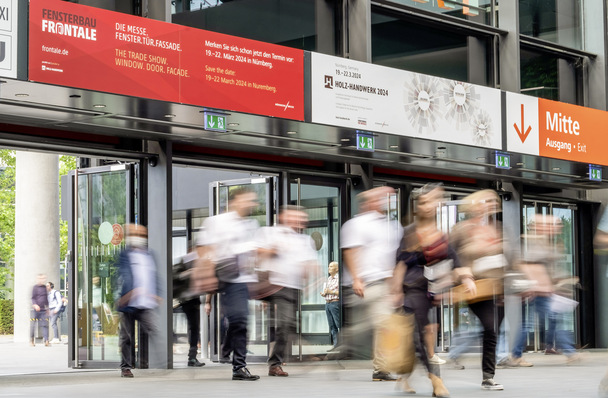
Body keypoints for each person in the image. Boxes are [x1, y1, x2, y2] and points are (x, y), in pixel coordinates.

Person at [392, 183, 452, 397]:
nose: (428, 206)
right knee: (419, 334)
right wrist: (396, 290)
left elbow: (446, 264)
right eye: (424, 202)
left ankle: (403, 375)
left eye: (433, 202)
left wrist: (443, 286)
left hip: (430, 291)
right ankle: (436, 380)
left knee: (416, 335)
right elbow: (400, 263)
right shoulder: (409, 232)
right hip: (411, 289)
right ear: (417, 206)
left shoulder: (440, 235)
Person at [339, 186, 403, 381]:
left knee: (383, 326)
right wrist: (357, 278)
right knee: (377, 326)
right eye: (382, 197)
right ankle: (345, 344)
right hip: (366, 283)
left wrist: (396, 287)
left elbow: (394, 258)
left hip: (384, 283)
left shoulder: (393, 226)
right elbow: (350, 252)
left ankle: (379, 368)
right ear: (369, 202)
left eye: (389, 198)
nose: (386, 201)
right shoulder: (356, 224)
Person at [197, 186, 260, 381]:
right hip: (224, 275)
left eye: (253, 200)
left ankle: (234, 360)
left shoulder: (251, 224)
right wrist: (207, 275)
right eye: (247, 200)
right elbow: (204, 249)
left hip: (243, 279)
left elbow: (254, 254)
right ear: (234, 201)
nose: (251, 204)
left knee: (239, 319)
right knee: (238, 319)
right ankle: (234, 359)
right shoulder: (216, 222)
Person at [450, 189, 506, 391]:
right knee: (490, 328)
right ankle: (488, 376)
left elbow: (510, 256)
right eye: (484, 201)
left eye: (492, 202)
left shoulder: (497, 228)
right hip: (475, 288)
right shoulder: (461, 229)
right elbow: (451, 256)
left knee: (493, 333)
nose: (489, 205)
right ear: (473, 205)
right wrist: (463, 275)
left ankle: (488, 377)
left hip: (498, 288)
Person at [507, 214, 579, 367]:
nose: (558, 228)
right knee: (534, 323)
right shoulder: (534, 243)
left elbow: (548, 268)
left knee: (552, 320)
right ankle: (516, 355)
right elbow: (529, 267)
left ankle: (567, 351)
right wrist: (540, 287)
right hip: (539, 291)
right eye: (555, 225)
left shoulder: (544, 242)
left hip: (544, 291)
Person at [255, 205, 318, 377]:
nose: (301, 221)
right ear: (283, 217)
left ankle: (274, 363)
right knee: (285, 322)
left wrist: (313, 277)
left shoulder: (306, 240)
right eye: (296, 217)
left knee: (286, 324)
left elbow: (309, 263)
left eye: (302, 218)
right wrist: (273, 249)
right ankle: (274, 362)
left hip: (292, 288)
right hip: (273, 284)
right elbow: (258, 253)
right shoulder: (268, 232)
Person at [117, 224, 161, 378]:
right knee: (127, 337)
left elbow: (154, 276)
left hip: (145, 302)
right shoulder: (125, 254)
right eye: (136, 234)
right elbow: (123, 273)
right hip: (128, 302)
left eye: (142, 234)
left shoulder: (149, 255)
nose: (139, 237)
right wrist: (129, 292)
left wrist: (157, 293)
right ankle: (126, 367)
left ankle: (159, 360)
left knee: (153, 329)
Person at [173, 249, 205, 367]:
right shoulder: (188, 261)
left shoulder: (188, 261)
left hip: (188, 300)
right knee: (194, 328)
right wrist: (191, 272)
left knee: (193, 328)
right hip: (187, 300)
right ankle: (191, 358)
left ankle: (192, 357)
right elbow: (178, 276)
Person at [321, 261, 340, 349]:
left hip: (335, 303)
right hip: (328, 304)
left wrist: (330, 292)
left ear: (337, 269)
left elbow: (341, 293)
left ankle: (343, 346)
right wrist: (324, 293)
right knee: (332, 326)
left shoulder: (339, 279)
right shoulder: (329, 278)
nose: (329, 268)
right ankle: (336, 345)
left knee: (338, 324)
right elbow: (327, 291)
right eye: (329, 266)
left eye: (331, 266)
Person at [30, 274, 49, 347]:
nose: (42, 280)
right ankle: (32, 340)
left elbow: (46, 298)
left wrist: (47, 308)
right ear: (38, 279)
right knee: (33, 325)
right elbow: (33, 298)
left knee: (44, 325)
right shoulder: (35, 288)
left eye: (43, 278)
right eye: (41, 278)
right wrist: (35, 304)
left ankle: (46, 340)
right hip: (36, 310)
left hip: (43, 309)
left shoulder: (44, 288)